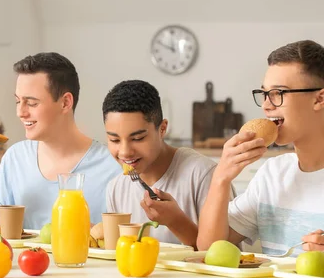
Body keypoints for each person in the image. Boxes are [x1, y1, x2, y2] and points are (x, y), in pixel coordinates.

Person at [0, 52, 121, 229]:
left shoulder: (112, 166)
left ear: (65, 103)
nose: (20, 112)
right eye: (18, 101)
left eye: (32, 103)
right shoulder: (15, 158)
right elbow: (0, 235)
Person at [198, 40, 324, 254]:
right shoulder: (272, 174)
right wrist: (221, 178)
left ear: (319, 99)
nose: (266, 105)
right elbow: (210, 249)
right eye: (265, 93)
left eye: (278, 93)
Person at [103, 80, 223, 247]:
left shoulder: (204, 175)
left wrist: (176, 222)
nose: (124, 152)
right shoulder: (116, 188)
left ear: (162, 128)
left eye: (137, 138)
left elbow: (226, 257)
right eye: (114, 139)